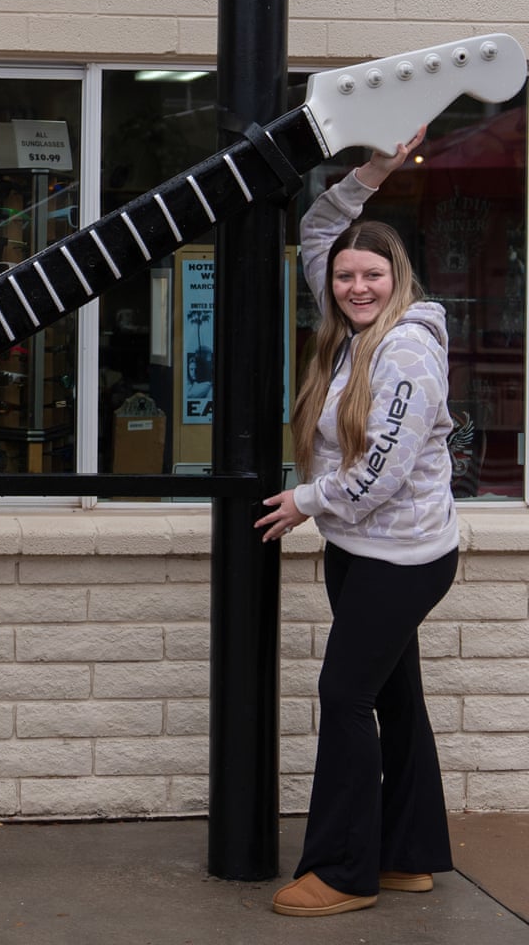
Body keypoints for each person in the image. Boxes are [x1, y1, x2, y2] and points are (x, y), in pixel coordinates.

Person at [255, 126, 458, 918]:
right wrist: (377, 168)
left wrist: (306, 501)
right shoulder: (350, 328)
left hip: (401, 558)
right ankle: (408, 855)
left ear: (396, 278)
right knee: (394, 696)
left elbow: (385, 469)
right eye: (346, 275)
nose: (355, 285)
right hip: (362, 551)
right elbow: (315, 229)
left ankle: (344, 872)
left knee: (344, 696)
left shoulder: (407, 350)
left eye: (372, 273)